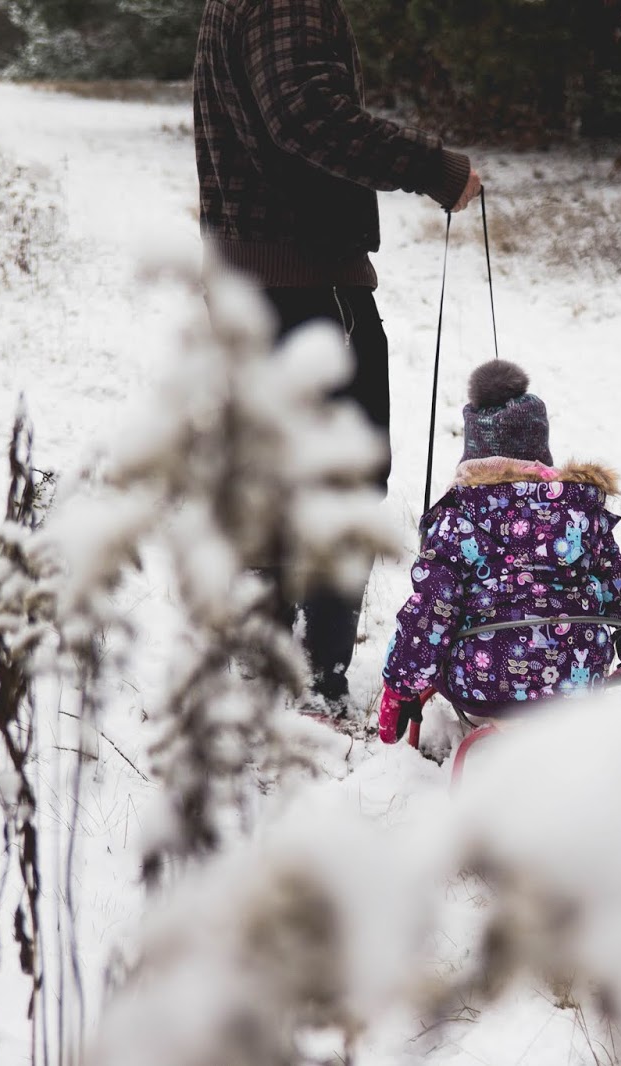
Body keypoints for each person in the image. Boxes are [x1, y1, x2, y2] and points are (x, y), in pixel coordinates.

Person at [194, 0, 482, 712]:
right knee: (341, 479)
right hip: (303, 281)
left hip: (259, 276)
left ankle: (275, 673)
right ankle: (310, 680)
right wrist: (434, 169)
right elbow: (305, 116)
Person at [378, 361, 621, 742]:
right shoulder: (580, 514)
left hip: (483, 686)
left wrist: (400, 686)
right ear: (541, 453)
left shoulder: (457, 519)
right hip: (575, 685)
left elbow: (431, 612)